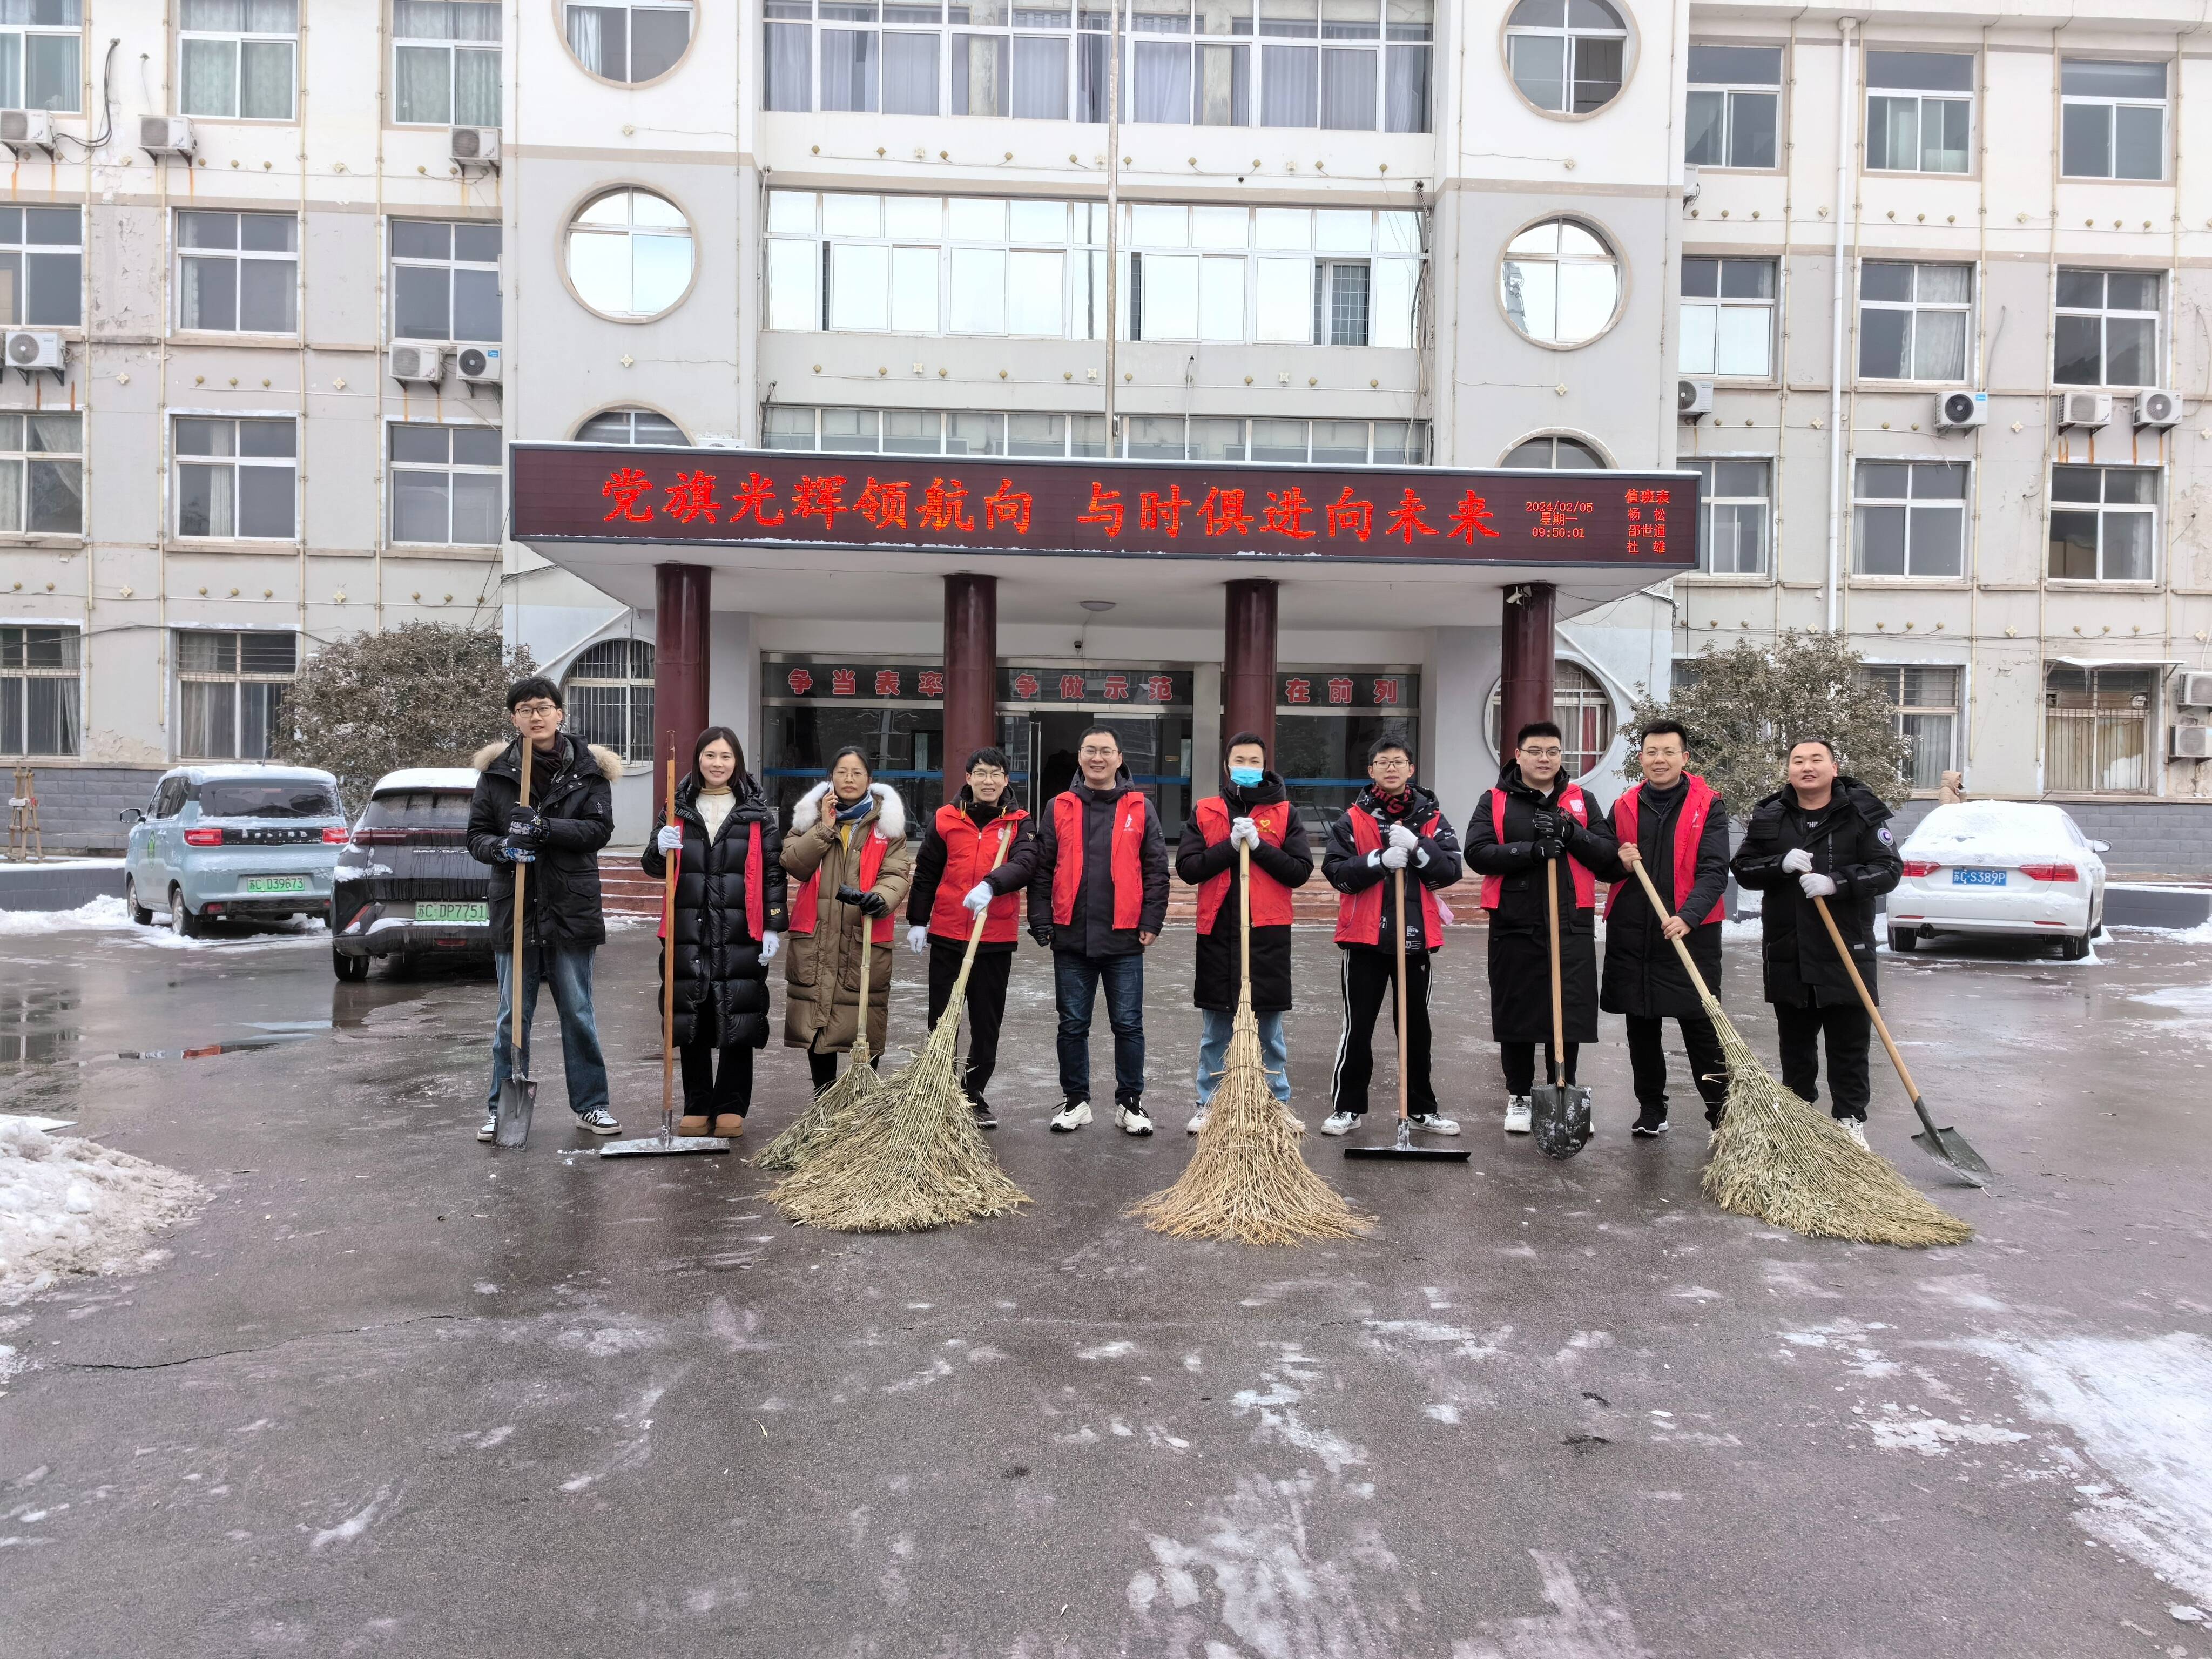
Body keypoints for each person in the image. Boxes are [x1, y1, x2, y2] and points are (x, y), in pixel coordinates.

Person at [466, 676, 624, 1139]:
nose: (535, 716)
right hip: (516, 910)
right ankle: (501, 1107)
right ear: (514, 718)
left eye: (543, 707)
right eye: (525, 710)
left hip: (570, 908)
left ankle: (591, 1105)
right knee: (512, 1017)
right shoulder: (498, 774)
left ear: (560, 713)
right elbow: (476, 836)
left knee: (578, 1012)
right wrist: (503, 848)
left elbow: (598, 831)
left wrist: (544, 828)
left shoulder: (589, 771)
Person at [1730, 737, 1903, 1150]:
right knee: (1795, 1046)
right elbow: (1744, 868)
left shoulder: (1861, 813)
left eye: (1816, 759)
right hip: (1789, 949)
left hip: (1846, 949)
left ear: (1834, 768)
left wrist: (1837, 883)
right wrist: (1779, 864)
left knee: (1849, 1044)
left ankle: (1849, 1120)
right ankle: (1799, 1118)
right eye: (1798, 761)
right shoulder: (1771, 815)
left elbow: (1888, 869)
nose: (1807, 767)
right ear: (1789, 769)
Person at [1465, 720, 1618, 1135]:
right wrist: (1530, 851)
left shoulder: (1581, 800)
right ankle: (1519, 1094)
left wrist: (1572, 833)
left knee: (1568, 1009)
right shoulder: (1495, 800)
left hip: (1570, 921)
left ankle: (1562, 1086)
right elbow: (1477, 852)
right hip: (1514, 922)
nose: (1545, 759)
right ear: (1518, 755)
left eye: (1552, 751)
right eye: (1535, 751)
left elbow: (1608, 856)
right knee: (1517, 1008)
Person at [1024, 725, 1171, 1135]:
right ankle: (1076, 1102)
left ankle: (1130, 1104)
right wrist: (1041, 919)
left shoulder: (1140, 806)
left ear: (1120, 758)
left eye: (1106, 751)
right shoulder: (1059, 806)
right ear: (1080, 757)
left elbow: (1156, 870)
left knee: (1128, 1024)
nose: (1098, 758)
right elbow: (1042, 869)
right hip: (1071, 935)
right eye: (1090, 750)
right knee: (1072, 1024)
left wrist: (1152, 920)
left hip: (1125, 936)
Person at [642, 727, 787, 1137]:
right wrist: (660, 847)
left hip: (740, 929)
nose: (718, 763)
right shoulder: (677, 808)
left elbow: (774, 873)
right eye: (710, 755)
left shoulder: (756, 813)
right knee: (693, 1014)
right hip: (689, 927)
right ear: (698, 760)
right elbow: (653, 866)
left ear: (737, 761)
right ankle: (698, 1103)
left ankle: (731, 1105)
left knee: (738, 1012)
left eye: (726, 756)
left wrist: (774, 924)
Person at [1318, 732, 1465, 1137]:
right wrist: (1378, 860)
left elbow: (1451, 870)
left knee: (1416, 1027)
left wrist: (1419, 847)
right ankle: (1348, 1107)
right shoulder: (1353, 819)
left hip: (1415, 938)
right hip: (1364, 937)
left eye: (1399, 761)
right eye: (1383, 762)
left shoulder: (1432, 818)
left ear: (1411, 769)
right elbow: (1336, 872)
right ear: (1371, 770)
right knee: (1358, 1026)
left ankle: (1421, 1109)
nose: (1391, 768)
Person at [1592, 720, 1730, 1137]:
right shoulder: (1625, 805)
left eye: (1669, 752)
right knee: (1641, 1023)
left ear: (1684, 758)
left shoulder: (1709, 805)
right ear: (1641, 758)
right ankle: (1651, 1108)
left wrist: (1689, 915)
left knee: (1701, 1024)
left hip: (1690, 931)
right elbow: (1604, 866)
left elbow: (1714, 870)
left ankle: (1721, 1114)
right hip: (1634, 930)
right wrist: (1618, 860)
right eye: (1652, 752)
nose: (1660, 760)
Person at [1176, 732, 1314, 1134]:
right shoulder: (1206, 810)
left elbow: (1300, 871)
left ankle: (1277, 1102)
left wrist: (1259, 845)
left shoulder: (1285, 813)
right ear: (1227, 765)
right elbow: (1188, 868)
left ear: (1265, 766)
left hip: (1268, 931)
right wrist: (1229, 846)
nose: (1247, 767)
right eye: (1240, 760)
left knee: (1269, 1028)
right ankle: (1209, 1103)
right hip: (1218, 930)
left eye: (1255, 761)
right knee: (1216, 1028)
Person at [905, 746, 1041, 1130]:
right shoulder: (946, 818)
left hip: (994, 936)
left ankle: (973, 1092)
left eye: (996, 774)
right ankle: (941, 1090)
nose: (988, 781)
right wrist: (918, 920)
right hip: (949, 932)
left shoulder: (1019, 822)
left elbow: (1027, 863)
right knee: (942, 1017)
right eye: (980, 773)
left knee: (986, 1019)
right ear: (968, 778)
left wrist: (991, 884)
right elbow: (928, 870)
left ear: (1006, 780)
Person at [780, 746, 913, 1092]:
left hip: (863, 935)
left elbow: (897, 873)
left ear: (869, 779)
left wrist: (880, 898)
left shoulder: (887, 824)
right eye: (842, 772)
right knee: (818, 1021)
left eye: (857, 773)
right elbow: (794, 864)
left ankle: (862, 1106)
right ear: (831, 777)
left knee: (865, 1022)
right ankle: (823, 1103)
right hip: (818, 937)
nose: (849, 779)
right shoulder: (810, 818)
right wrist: (825, 828)